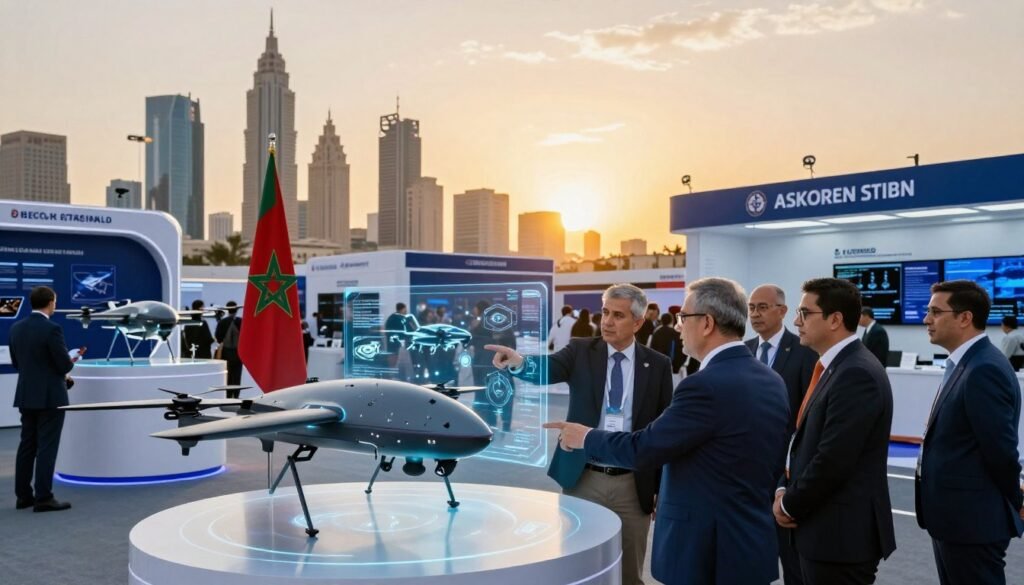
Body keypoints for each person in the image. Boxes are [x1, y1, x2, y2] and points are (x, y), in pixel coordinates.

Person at [545, 277, 790, 585]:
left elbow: (646, 448)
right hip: (750, 544)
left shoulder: (704, 385)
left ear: (706, 323)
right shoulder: (771, 380)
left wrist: (585, 437)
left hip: (704, 550)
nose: (677, 327)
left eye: (682, 317)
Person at [487, 284, 674, 585]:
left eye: (618, 315)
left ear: (638, 322)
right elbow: (548, 369)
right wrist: (518, 362)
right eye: (605, 312)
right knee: (577, 566)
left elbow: (664, 430)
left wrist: (662, 490)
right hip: (583, 477)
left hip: (633, 483)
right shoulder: (581, 351)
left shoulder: (658, 365)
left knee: (628, 574)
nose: (608, 322)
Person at [774, 278, 896, 585]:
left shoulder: (855, 373)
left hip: (840, 536)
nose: (796, 321)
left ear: (835, 320)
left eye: (805, 313)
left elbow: (834, 458)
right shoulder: (835, 367)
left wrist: (789, 503)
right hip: (824, 530)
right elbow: (804, 441)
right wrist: (782, 487)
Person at [916, 280, 1023, 585]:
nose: (926, 319)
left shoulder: (983, 369)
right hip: (954, 519)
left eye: (935, 312)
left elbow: (1001, 450)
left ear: (965, 317)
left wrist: (1015, 500)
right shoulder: (964, 364)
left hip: (973, 522)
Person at [745, 284, 818, 585]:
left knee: (792, 564)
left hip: (784, 473)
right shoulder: (744, 350)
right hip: (746, 473)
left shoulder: (803, 351)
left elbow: (806, 417)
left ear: (783, 311)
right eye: (751, 308)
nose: (755, 314)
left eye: (762, 307)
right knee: (749, 559)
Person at [10, 285, 77, 512]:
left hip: (26, 395)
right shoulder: (52, 329)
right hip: (50, 397)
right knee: (47, 446)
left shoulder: (16, 328)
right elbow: (63, 364)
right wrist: (68, 366)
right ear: (50, 303)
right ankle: (44, 497)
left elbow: (18, 363)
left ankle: (23, 496)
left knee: (27, 445)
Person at [215, 301, 243, 396]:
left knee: (228, 376)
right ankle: (236, 396)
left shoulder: (222, 322)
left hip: (226, 353)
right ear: (237, 309)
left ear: (227, 309)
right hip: (238, 353)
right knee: (237, 376)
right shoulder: (241, 321)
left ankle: (228, 395)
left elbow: (218, 338)